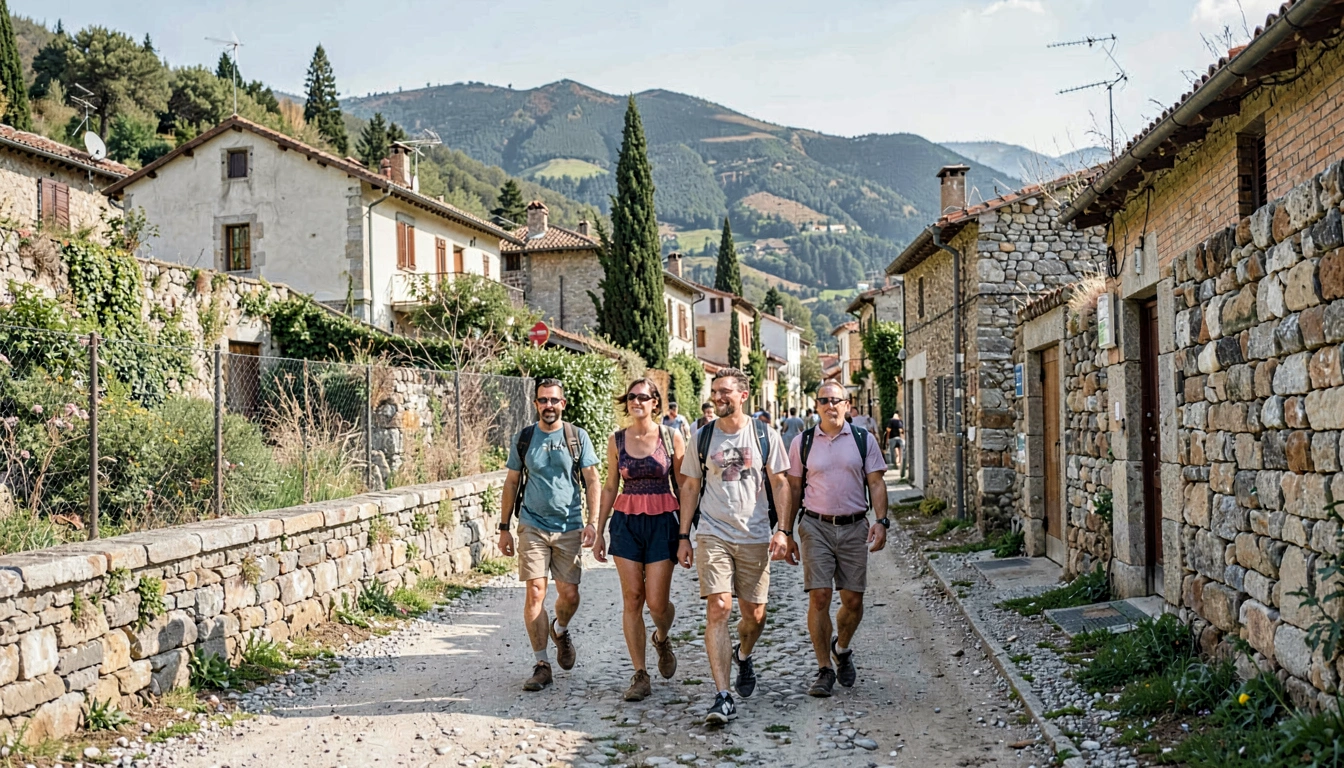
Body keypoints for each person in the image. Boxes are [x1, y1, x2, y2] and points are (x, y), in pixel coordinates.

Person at [678, 368, 791, 725]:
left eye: (725, 391)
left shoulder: (764, 434)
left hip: (755, 535)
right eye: (715, 392)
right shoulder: (702, 437)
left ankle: (744, 654)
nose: (718, 397)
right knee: (719, 607)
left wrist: (784, 530)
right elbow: (690, 488)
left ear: (743, 395)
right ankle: (723, 696)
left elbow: (780, 483)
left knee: (754, 616)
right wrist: (684, 536)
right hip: (713, 533)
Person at [777, 381, 889, 697]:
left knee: (853, 600)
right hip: (815, 525)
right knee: (820, 595)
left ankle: (842, 647)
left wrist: (881, 521)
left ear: (846, 403)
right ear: (817, 406)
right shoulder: (803, 442)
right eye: (823, 400)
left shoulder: (862, 439)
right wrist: (786, 532)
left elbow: (877, 483)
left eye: (835, 400)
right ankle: (824, 668)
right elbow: (793, 488)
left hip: (855, 526)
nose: (829, 405)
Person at [498, 378, 602, 692]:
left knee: (569, 595)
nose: (549, 406)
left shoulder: (577, 436)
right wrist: (504, 529)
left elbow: (593, 480)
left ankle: (561, 628)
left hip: (569, 525)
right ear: (536, 404)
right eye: (543, 400)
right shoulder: (525, 438)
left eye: (554, 400)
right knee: (535, 593)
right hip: (532, 524)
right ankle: (542, 664)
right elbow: (511, 483)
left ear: (563, 404)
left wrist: (593, 522)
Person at [593, 379, 686, 701]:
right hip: (626, 522)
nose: (636, 401)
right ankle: (640, 674)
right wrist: (598, 530)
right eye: (631, 397)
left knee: (657, 602)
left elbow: (684, 485)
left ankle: (661, 637)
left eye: (643, 397)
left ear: (655, 403)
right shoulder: (616, 439)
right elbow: (609, 485)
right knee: (633, 598)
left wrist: (686, 534)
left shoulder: (671, 436)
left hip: (663, 521)